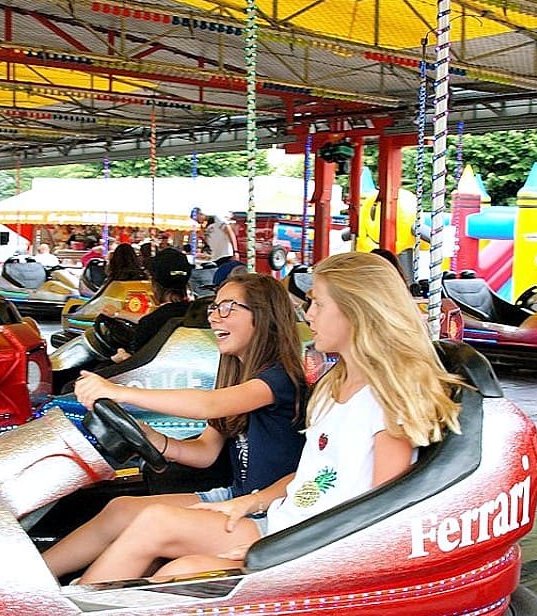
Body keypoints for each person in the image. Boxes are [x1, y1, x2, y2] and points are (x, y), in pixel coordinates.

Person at [55, 253, 464, 584]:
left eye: (318, 303)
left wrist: (119, 391)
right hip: (282, 519)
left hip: (311, 545)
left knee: (166, 547)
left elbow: (383, 514)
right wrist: (249, 502)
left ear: (356, 312)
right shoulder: (332, 388)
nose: (308, 314)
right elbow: (310, 476)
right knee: (145, 524)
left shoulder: (384, 403)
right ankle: (53, 600)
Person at [44, 272, 308, 584]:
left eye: (228, 308)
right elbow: (205, 453)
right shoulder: (236, 376)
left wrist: (118, 392)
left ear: (264, 317)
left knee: (155, 522)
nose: (214, 317)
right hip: (235, 496)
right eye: (214, 308)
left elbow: (209, 405)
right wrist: (154, 439)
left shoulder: (280, 379)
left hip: (269, 509)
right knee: (120, 509)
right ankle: (31, 579)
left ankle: (68, 602)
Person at [111, 247, 193, 360]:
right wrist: (118, 313)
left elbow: (138, 364)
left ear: (155, 284)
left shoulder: (151, 323)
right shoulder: (197, 312)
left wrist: (122, 357)